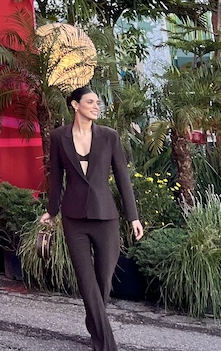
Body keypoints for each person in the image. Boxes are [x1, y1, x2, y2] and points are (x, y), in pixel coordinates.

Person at [40, 86, 143, 351]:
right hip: (74, 219)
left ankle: (94, 324)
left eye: (98, 102)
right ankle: (107, 345)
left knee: (103, 281)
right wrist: (52, 211)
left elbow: (123, 178)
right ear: (75, 105)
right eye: (90, 102)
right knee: (87, 284)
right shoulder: (59, 136)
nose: (96, 106)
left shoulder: (109, 137)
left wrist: (133, 217)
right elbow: (56, 178)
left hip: (106, 218)